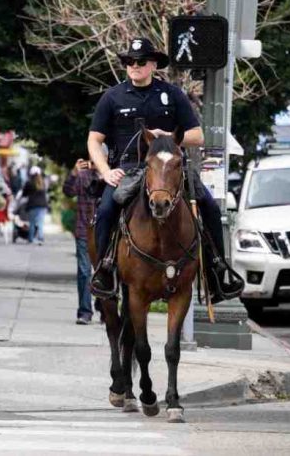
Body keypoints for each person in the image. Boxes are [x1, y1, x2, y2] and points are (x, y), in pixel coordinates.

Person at [87, 37, 244, 301]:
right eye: (129, 62)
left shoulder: (172, 94)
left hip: (169, 168)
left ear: (153, 64)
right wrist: (105, 171)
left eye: (140, 62)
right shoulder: (112, 97)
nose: (134, 66)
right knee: (105, 211)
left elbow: (197, 135)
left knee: (210, 207)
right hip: (128, 169)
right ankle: (105, 270)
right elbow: (94, 139)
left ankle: (217, 270)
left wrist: (169, 135)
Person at [63, 158, 101, 324]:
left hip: (106, 233)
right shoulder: (84, 175)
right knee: (85, 272)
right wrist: (73, 173)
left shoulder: (113, 176)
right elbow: (68, 191)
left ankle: (105, 308)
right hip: (84, 231)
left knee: (105, 272)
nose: (94, 162)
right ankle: (85, 312)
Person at [20, 166, 50, 245]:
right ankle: (40, 238)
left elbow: (24, 194)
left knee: (32, 223)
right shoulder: (42, 182)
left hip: (32, 205)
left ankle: (30, 238)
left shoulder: (29, 183)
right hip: (43, 205)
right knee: (40, 223)